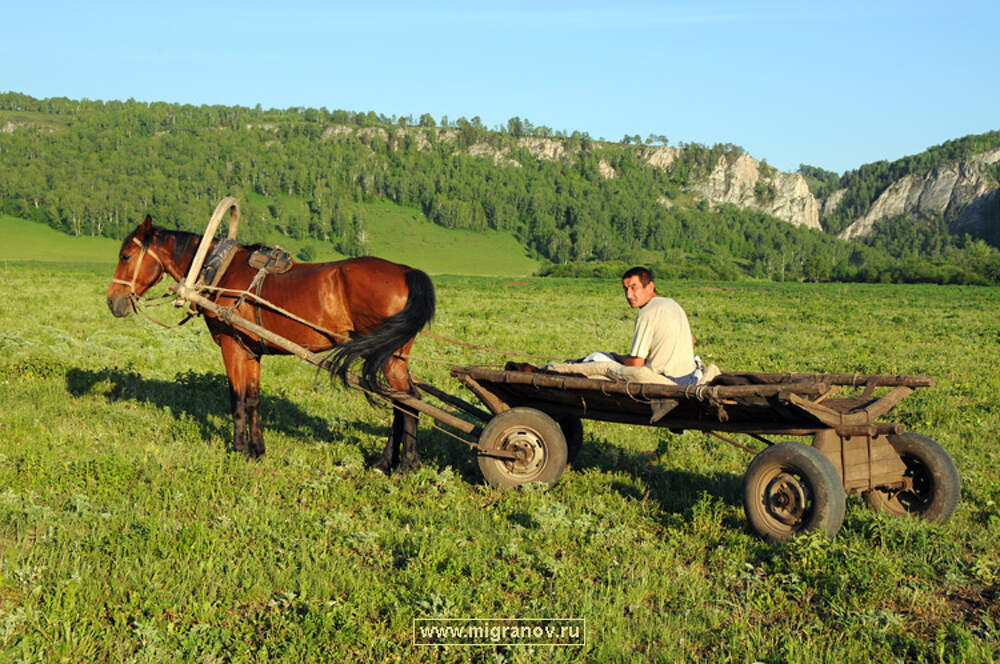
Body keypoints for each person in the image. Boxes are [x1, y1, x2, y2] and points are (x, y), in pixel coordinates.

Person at [548, 267, 719, 385]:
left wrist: (617, 358)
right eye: (625, 289)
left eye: (633, 288)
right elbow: (691, 341)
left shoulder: (647, 312)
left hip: (668, 380)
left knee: (605, 364)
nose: (629, 295)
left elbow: (636, 363)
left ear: (650, 286)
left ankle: (561, 369)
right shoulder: (672, 304)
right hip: (689, 377)